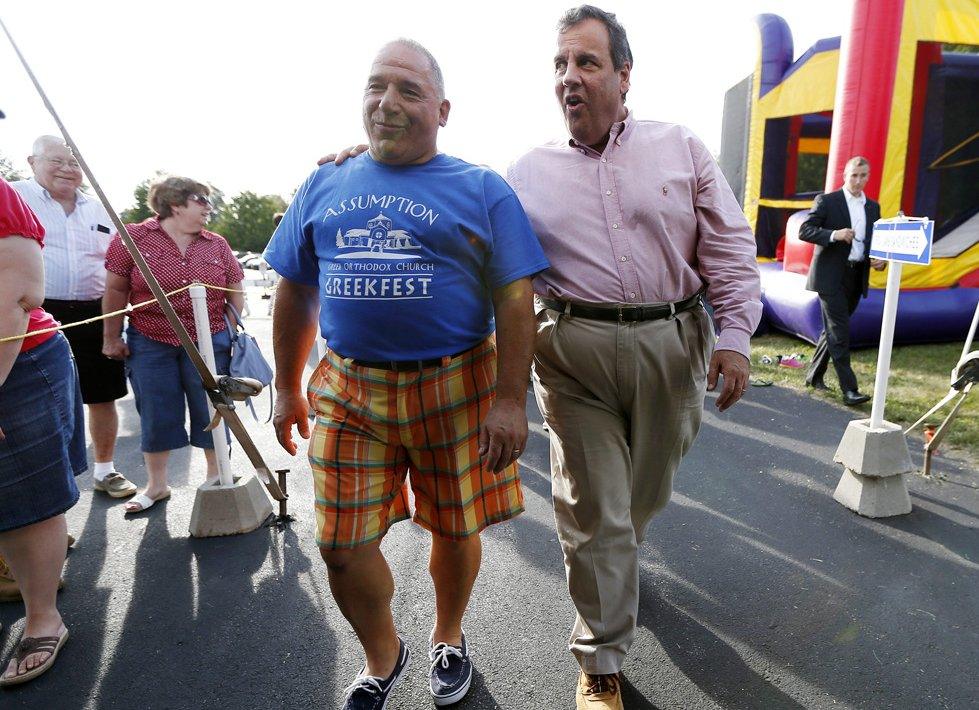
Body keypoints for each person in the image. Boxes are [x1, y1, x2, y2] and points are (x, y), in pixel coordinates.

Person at [265, 39, 548, 710]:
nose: (386, 102)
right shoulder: (323, 181)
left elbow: (516, 300)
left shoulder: (482, 189)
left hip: (456, 387)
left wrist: (511, 401)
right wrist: (283, 385)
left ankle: (447, 635)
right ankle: (383, 655)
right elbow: (294, 289)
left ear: (442, 110)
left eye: (408, 91)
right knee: (339, 544)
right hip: (348, 388)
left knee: (454, 527)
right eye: (375, 87)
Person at [505, 7, 762, 708]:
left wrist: (734, 338)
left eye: (586, 62)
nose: (569, 77)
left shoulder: (679, 146)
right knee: (593, 512)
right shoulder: (526, 172)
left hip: (671, 347)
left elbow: (729, 250)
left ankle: (618, 559)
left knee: (637, 502)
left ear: (622, 73)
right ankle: (598, 658)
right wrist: (376, 158)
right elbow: (474, 242)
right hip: (571, 354)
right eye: (560, 65)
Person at [102, 177, 245, 513]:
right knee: (155, 409)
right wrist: (111, 336)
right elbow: (115, 290)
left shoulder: (217, 244)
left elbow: (235, 287)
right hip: (150, 339)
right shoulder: (132, 238)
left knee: (212, 408)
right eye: (202, 199)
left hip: (209, 338)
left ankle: (217, 475)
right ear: (175, 203)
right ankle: (157, 485)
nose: (209, 207)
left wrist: (232, 333)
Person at [11, 136, 136, 499]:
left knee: (102, 395)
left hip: (94, 312)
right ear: (32, 161)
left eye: (75, 162)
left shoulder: (99, 209)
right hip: (32, 311)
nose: (67, 169)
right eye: (57, 160)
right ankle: (45, 491)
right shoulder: (13, 196)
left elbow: (119, 266)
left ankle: (105, 470)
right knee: (37, 401)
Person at [0, 178, 86, 686]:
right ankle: (19, 573)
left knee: (26, 503)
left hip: (14, 361)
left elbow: (14, 294)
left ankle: (42, 618)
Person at [799, 156, 885, 405]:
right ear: (845, 176)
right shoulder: (827, 201)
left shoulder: (873, 207)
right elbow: (804, 230)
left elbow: (872, 242)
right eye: (854, 175)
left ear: (868, 176)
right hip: (829, 277)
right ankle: (850, 389)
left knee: (834, 329)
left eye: (863, 175)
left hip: (856, 276)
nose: (858, 180)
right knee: (840, 331)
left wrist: (878, 260)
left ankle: (814, 375)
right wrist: (834, 234)